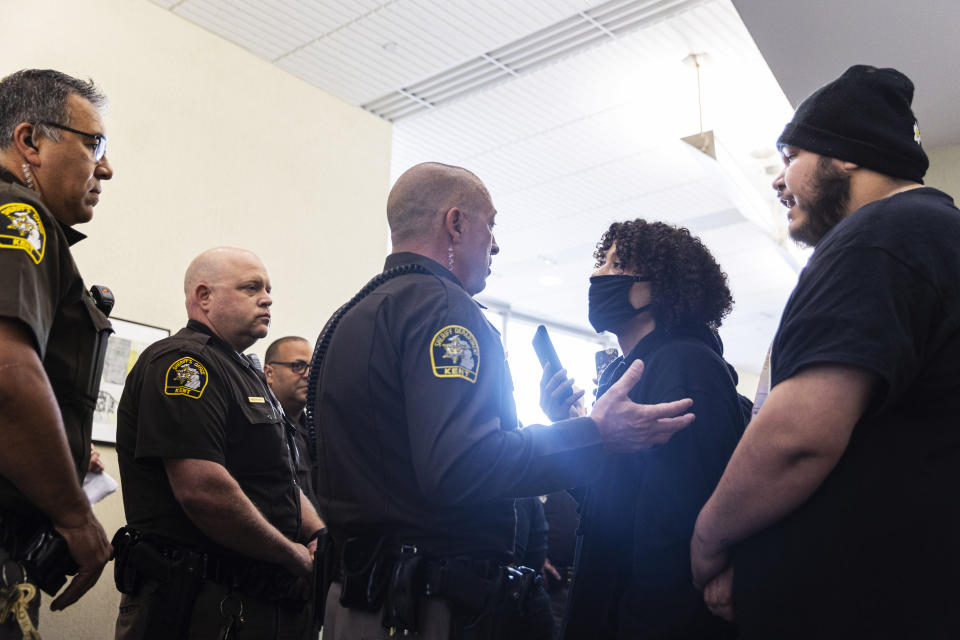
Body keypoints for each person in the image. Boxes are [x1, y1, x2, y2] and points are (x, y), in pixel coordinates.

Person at [311, 162, 698, 640]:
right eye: (490, 224)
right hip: (423, 607)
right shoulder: (445, 309)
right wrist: (594, 432)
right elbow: (461, 465)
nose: (495, 243)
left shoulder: (352, 315)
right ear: (455, 224)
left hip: (359, 600)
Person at [690, 65, 960, 639]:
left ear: (848, 155)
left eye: (791, 155)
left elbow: (798, 437)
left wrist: (709, 537)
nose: (779, 179)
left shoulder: (881, 234)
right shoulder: (935, 233)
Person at [544, 220, 747, 639]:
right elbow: (614, 503)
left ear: (659, 288)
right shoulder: (632, 371)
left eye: (616, 265)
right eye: (602, 261)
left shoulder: (684, 366)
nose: (598, 274)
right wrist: (570, 428)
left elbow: (675, 530)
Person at [113, 247, 324, 640]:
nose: (267, 298)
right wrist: (292, 554)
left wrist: (316, 537)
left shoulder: (245, 370)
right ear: (204, 297)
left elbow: (278, 480)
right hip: (199, 603)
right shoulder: (184, 364)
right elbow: (202, 489)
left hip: (262, 601)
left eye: (268, 289)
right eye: (250, 287)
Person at [0, 68, 115, 637]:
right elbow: (7, 375)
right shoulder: (19, 216)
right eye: (94, 143)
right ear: (30, 141)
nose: (106, 167)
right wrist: (74, 514)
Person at [264, 336, 322, 513]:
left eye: (313, 367)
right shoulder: (264, 430)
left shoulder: (315, 430)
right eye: (297, 366)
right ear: (269, 373)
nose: (308, 374)